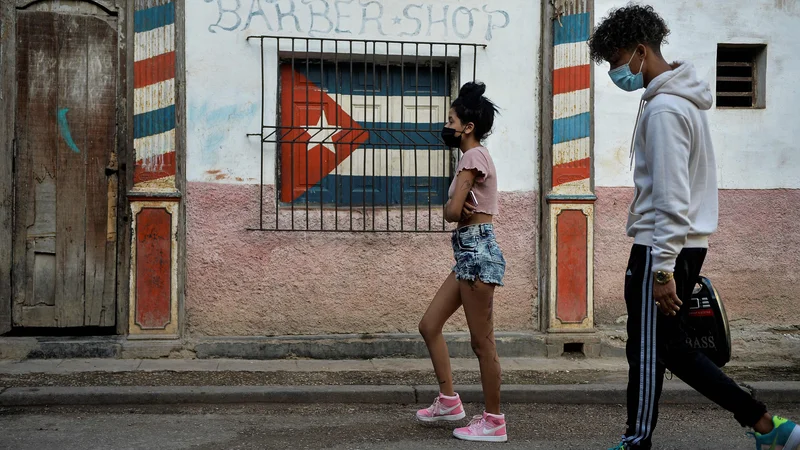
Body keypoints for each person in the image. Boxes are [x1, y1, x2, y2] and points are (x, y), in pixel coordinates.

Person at [588, 4, 800, 450]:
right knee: (670, 348)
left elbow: (670, 196)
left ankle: (638, 440)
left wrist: (662, 268)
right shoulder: (682, 101)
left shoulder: (664, 109)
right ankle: (766, 425)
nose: (614, 71)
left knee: (647, 351)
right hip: (681, 245)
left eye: (616, 59)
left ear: (640, 50)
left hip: (661, 248)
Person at [415, 81, 508, 443]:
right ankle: (449, 401)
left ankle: (494, 421)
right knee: (429, 324)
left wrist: (454, 205)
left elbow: (452, 212)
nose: (447, 125)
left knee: (483, 343)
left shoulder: (472, 156)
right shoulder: (474, 157)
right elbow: (454, 211)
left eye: (451, 119)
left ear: (468, 127)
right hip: (468, 252)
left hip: (478, 252)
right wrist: (455, 207)